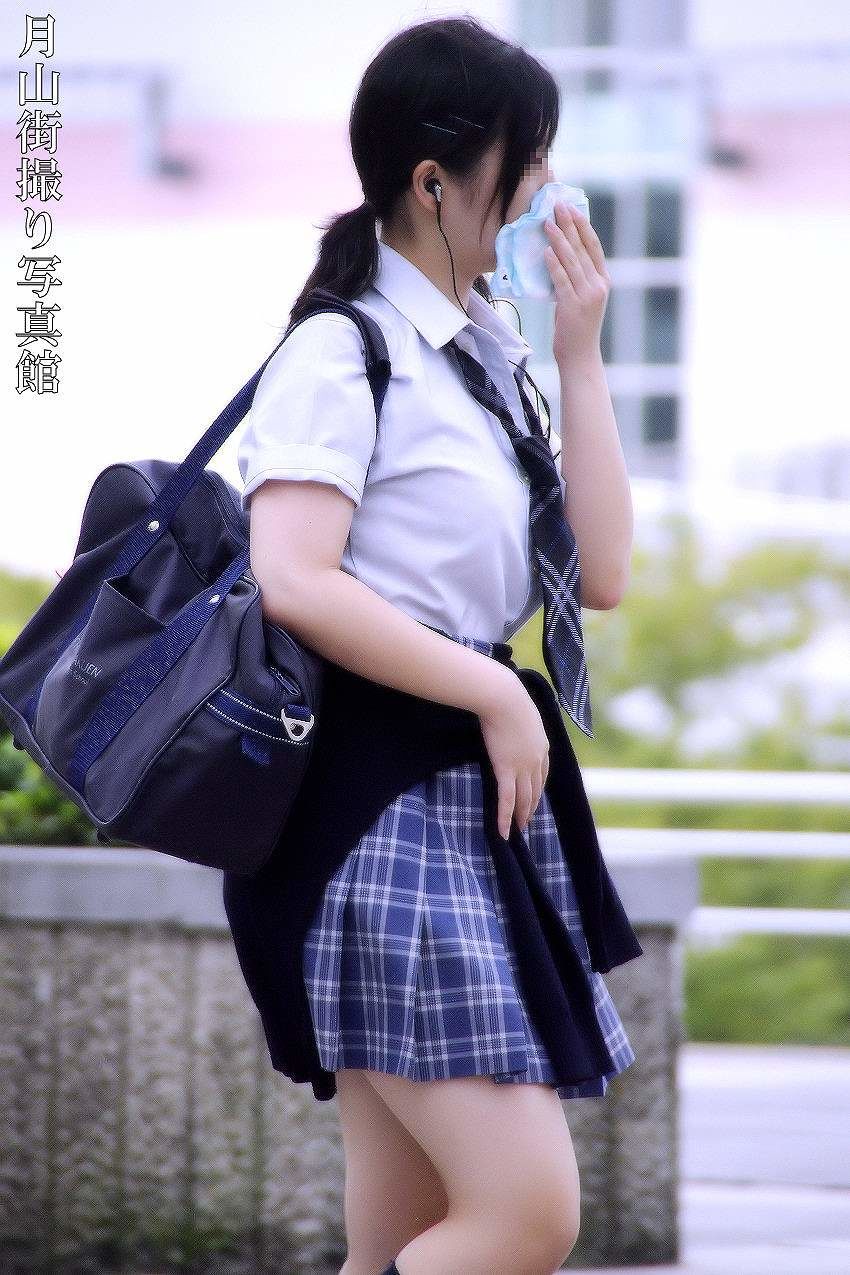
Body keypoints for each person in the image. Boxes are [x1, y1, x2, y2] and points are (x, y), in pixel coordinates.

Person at [225, 15, 636, 1275]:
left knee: (398, 1238)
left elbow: (600, 577)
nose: (550, 193)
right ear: (434, 182)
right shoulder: (341, 351)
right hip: (368, 809)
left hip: (454, 804)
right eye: (529, 165)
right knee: (524, 1217)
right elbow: (291, 577)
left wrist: (578, 357)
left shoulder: (485, 357)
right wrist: (494, 696)